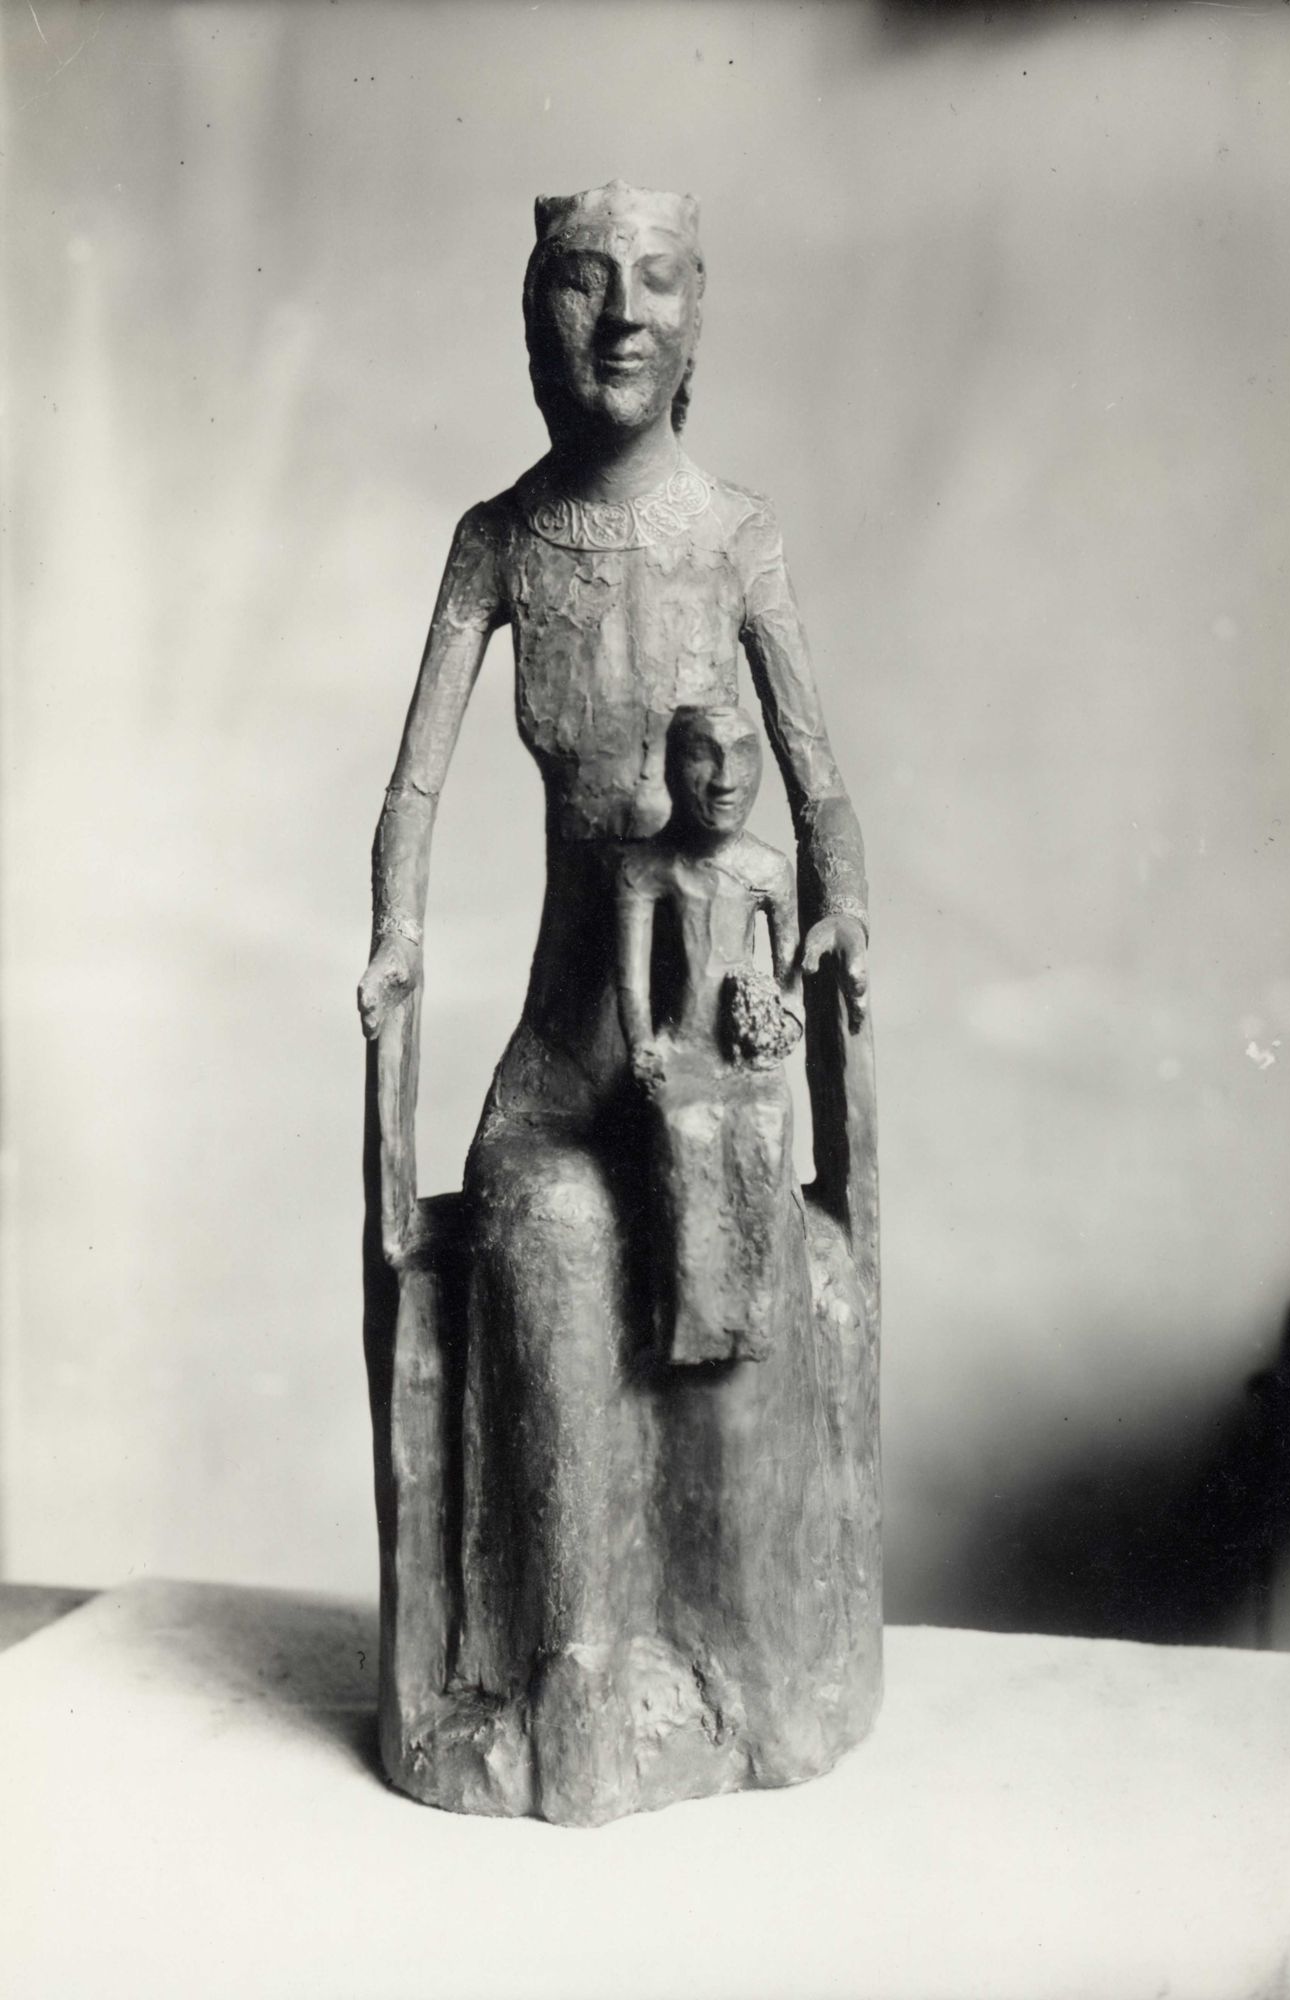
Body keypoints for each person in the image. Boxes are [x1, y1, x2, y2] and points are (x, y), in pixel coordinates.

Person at [358, 183, 874, 1824]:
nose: (621, 314)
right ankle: (571, 1676)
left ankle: (742, 1662)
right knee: (545, 1231)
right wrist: (393, 934)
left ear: (696, 319)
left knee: (725, 1244)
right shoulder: (501, 541)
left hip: (706, 1061)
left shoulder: (734, 537)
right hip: (560, 1062)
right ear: (535, 320)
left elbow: (820, 788)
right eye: (581, 283)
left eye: (655, 282)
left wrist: (840, 908)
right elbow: (413, 789)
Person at [617, 704, 803, 1366]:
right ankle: (693, 1329)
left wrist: (779, 1022)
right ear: (673, 768)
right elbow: (632, 982)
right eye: (704, 756)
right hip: (682, 1051)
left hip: (743, 1056)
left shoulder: (768, 870)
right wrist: (642, 1044)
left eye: (742, 756)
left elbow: (788, 977)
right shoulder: (647, 870)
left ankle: (750, 1325)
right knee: (686, 1129)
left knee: (764, 1126)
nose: (724, 779)